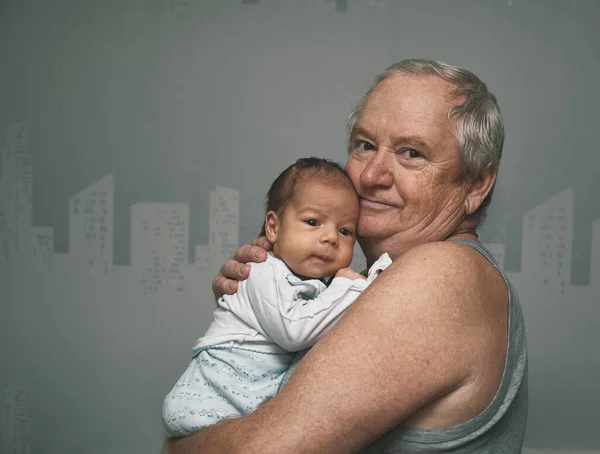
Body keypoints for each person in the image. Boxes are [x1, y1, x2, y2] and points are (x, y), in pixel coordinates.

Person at [164, 59, 528, 453]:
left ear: (476, 184)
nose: (372, 175)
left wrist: (178, 447)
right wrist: (254, 316)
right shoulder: (367, 280)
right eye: (365, 145)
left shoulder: (440, 272)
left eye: (411, 153)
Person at [162, 157, 392, 437]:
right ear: (273, 226)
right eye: (313, 222)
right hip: (212, 392)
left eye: (345, 231)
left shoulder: (321, 283)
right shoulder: (260, 270)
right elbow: (294, 332)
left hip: (252, 403)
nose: (331, 237)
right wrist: (351, 287)